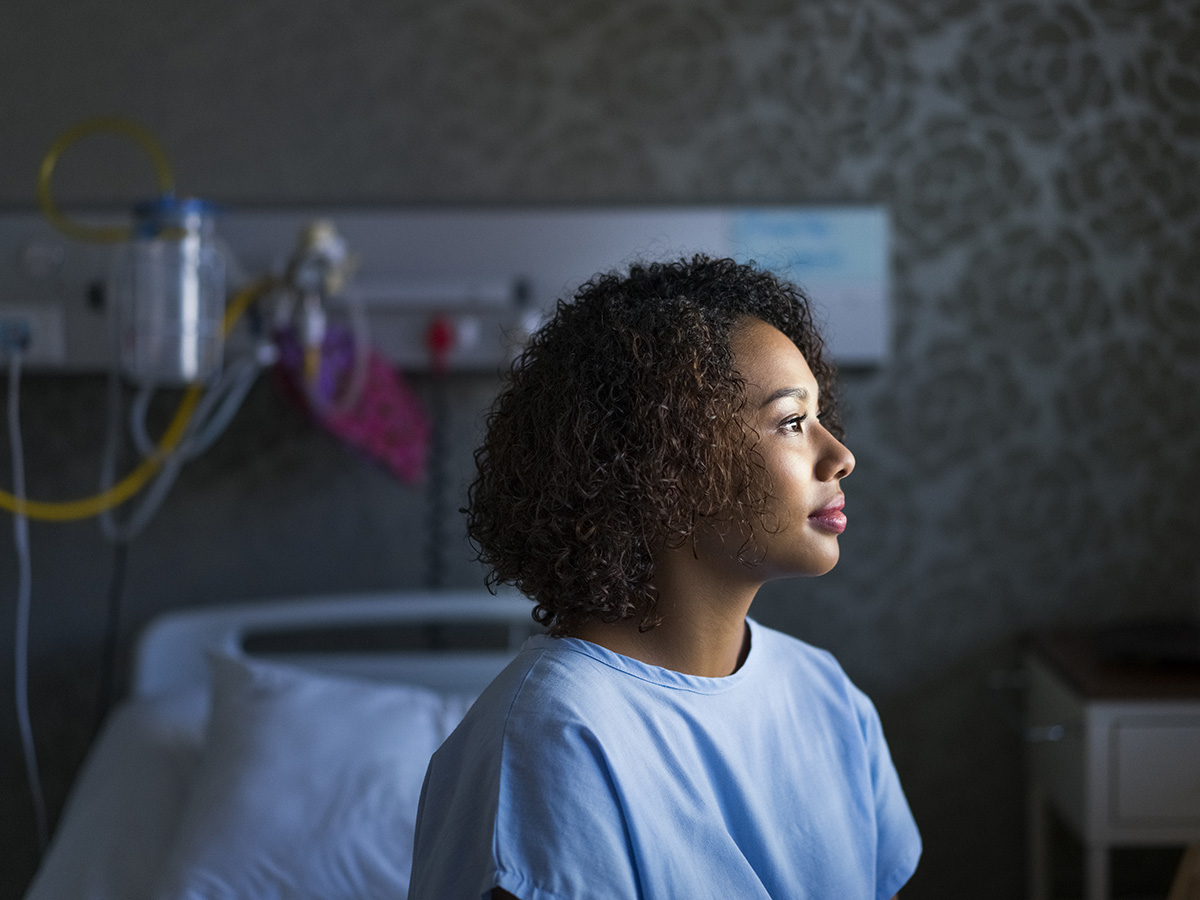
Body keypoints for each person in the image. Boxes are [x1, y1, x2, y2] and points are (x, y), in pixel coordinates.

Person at [408, 255, 920, 900]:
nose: (841, 457)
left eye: (821, 418)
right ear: (668, 462)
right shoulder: (553, 743)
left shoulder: (827, 696)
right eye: (792, 422)